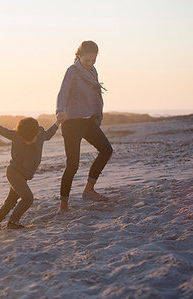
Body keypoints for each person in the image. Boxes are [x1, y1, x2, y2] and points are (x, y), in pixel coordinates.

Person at [0, 114, 59, 228]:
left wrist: (58, 122)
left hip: (24, 176)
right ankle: (13, 222)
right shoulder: (16, 136)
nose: (26, 141)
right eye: (23, 138)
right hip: (13, 173)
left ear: (36, 133)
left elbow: (49, 135)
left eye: (29, 139)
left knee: (11, 200)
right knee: (28, 198)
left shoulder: (41, 133)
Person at [56, 40, 113, 213]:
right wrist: (59, 110)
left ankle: (89, 189)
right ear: (79, 55)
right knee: (72, 164)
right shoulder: (72, 71)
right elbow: (63, 92)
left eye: (93, 61)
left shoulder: (93, 71)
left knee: (106, 150)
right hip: (72, 123)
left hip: (88, 121)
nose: (90, 64)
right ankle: (63, 205)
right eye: (87, 60)